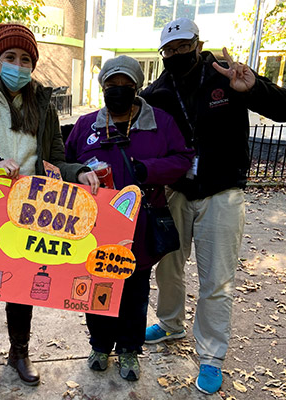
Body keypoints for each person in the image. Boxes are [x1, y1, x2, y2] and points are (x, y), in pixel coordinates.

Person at [139, 18, 286, 394]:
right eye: (170, 50)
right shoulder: (158, 91)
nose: (177, 54)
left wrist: (254, 88)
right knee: (168, 267)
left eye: (183, 46)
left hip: (222, 192)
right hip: (176, 191)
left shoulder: (227, 76)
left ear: (198, 43)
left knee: (217, 281)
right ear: (163, 54)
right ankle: (170, 323)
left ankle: (211, 357)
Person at [0, 23, 99, 394]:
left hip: (31, 210)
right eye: (11, 57)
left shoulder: (43, 105)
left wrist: (78, 172)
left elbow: (55, 160)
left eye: (26, 59)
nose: (18, 65)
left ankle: (19, 352)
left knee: (23, 289)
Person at [65, 55, 194, 381]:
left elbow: (183, 159)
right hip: (95, 227)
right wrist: (79, 173)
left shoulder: (160, 123)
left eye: (125, 85)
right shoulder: (86, 126)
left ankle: (129, 351)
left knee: (135, 291)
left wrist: (147, 170)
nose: (118, 90)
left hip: (139, 226)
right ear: (103, 87)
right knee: (97, 288)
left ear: (136, 88)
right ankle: (99, 345)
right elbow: (64, 162)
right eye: (111, 84)